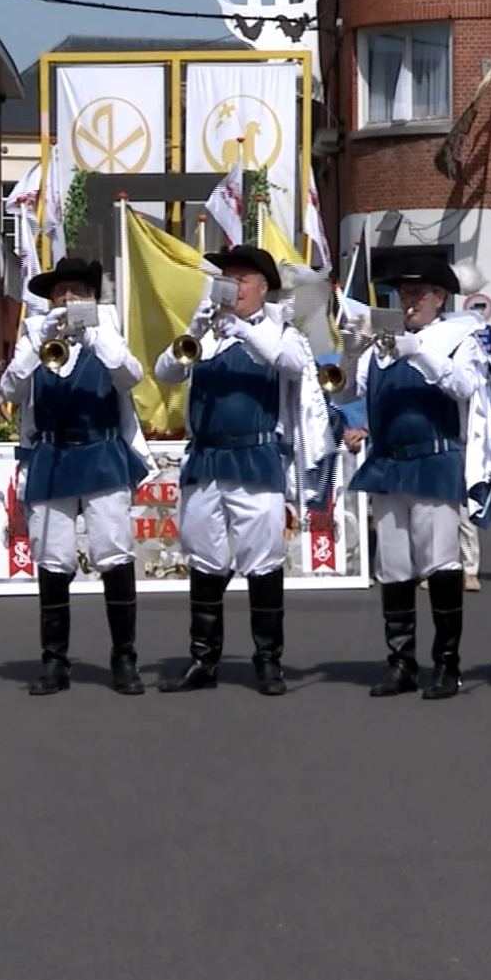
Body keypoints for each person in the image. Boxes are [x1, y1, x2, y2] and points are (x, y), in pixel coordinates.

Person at [152, 245, 326, 697]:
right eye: (226, 278)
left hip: (255, 457)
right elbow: (165, 372)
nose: (231, 287)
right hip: (207, 459)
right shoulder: (206, 332)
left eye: (241, 279)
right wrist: (195, 327)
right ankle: (202, 659)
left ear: (262, 288)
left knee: (263, 559)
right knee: (205, 558)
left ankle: (268, 661)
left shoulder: (280, 331)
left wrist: (244, 331)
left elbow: (291, 365)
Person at [345, 253, 491, 701]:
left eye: (417, 293)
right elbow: (347, 389)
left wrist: (420, 352)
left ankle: (447, 664)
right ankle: (401, 663)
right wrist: (354, 347)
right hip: (389, 461)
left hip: (433, 459)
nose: (408, 301)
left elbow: (466, 386)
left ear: (439, 297)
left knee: (440, 562)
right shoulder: (382, 341)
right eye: (403, 293)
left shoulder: (459, 336)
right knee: (392, 566)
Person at [0, 258, 151, 696]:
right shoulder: (33, 336)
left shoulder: (108, 332)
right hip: (52, 453)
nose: (67, 298)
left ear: (91, 296)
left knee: (114, 553)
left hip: (101, 452)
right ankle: (54, 662)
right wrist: (38, 341)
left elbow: (130, 376)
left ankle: (124, 658)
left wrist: (93, 335)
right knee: (53, 558)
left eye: (76, 291)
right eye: (60, 291)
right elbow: (11, 389)